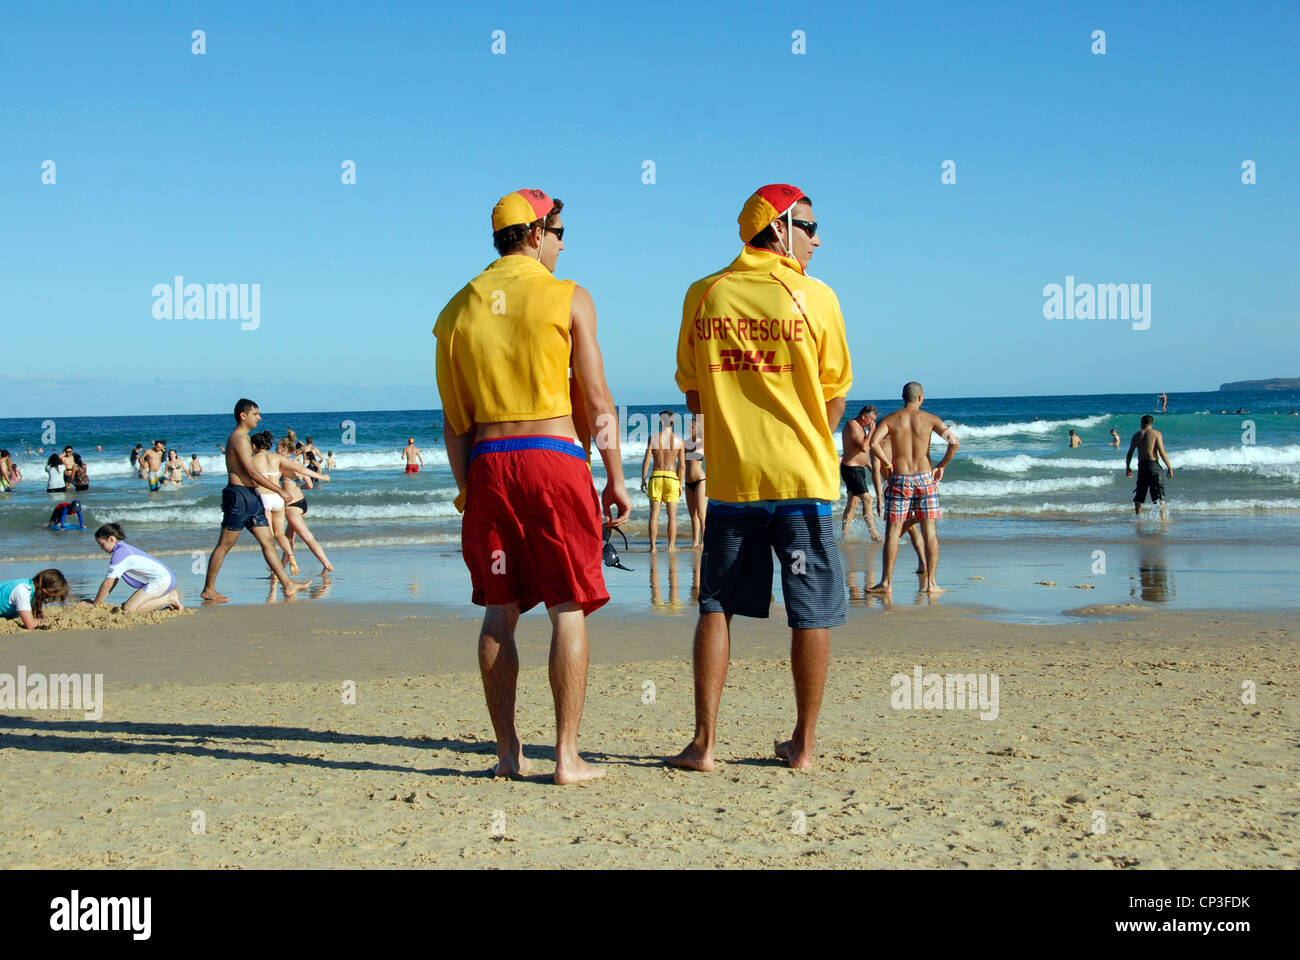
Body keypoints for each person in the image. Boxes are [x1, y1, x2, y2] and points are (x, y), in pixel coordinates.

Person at [434, 188, 630, 784]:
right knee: (568, 607)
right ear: (537, 233)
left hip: (492, 460)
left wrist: (470, 488)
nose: (564, 245)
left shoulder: (456, 310)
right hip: (552, 457)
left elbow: (454, 421)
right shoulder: (568, 297)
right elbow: (596, 400)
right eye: (561, 232)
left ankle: (508, 753)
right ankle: (566, 757)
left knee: (500, 610)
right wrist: (616, 475)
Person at [670, 183, 851, 772]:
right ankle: (804, 744)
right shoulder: (816, 297)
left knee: (717, 605)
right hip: (804, 481)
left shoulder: (705, 294)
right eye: (810, 227)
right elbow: (832, 403)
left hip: (733, 482)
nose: (818, 239)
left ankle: (704, 744)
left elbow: (695, 398)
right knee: (812, 610)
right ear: (779, 227)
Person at [200, 399, 312, 603]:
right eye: (256, 414)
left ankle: (287, 585)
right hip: (239, 496)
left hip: (252, 496)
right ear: (243, 416)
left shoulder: (245, 438)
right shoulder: (239, 438)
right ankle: (209, 589)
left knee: (268, 541)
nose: (259, 418)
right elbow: (250, 471)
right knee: (224, 545)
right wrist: (278, 489)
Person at [867, 382, 958, 595]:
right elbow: (954, 442)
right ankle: (931, 584)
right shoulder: (931, 420)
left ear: (902, 397)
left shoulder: (890, 420)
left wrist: (887, 465)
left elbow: (873, 444)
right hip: (926, 479)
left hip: (900, 479)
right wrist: (941, 465)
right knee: (930, 533)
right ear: (921, 398)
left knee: (893, 533)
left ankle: (886, 583)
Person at [91, 523, 183, 613]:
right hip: (163, 578)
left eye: (102, 544)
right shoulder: (123, 549)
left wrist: (95, 604)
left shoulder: (120, 554)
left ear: (111, 539)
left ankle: (169, 598)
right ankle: (168, 597)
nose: (101, 548)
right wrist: (99, 601)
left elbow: (108, 583)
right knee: (129, 607)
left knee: (129, 609)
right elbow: (113, 582)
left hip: (161, 580)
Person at [278, 438, 334, 574]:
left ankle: (327, 565)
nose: (276, 450)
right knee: (289, 538)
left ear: (285, 449)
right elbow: (308, 485)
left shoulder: (285, 464)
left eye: (278, 448)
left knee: (307, 537)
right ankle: (278, 571)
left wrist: (322, 477)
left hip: (292, 507)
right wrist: (297, 488)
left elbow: (304, 473)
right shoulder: (296, 461)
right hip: (302, 503)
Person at [641, 411, 685, 552]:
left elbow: (647, 459)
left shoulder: (653, 438)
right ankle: (671, 546)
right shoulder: (679, 441)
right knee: (672, 516)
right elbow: (682, 465)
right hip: (672, 478)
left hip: (656, 477)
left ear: (661, 422)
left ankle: (653, 547)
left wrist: (643, 478)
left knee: (654, 515)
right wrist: (680, 484)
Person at [840, 405, 883, 542]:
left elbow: (858, 452)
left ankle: (844, 536)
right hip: (851, 470)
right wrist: (871, 432)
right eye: (871, 419)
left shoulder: (860, 428)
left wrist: (868, 464)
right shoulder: (852, 425)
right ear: (864, 416)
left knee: (852, 503)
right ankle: (874, 534)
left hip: (858, 469)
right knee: (868, 500)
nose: (872, 423)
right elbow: (863, 447)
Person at [1126, 414, 1173, 517]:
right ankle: (1163, 519)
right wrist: (1169, 467)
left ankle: (1138, 518)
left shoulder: (1136, 435)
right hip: (1153, 466)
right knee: (1159, 495)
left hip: (1142, 466)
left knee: (1139, 494)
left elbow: (1129, 453)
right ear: (1151, 423)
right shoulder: (1156, 434)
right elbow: (1162, 452)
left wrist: (1127, 468)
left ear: (1141, 423)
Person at [0, 570, 69, 629]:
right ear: (46, 592)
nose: (51, 600)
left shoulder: (31, 586)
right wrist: (51, 621)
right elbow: (30, 624)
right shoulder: (23, 591)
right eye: (52, 597)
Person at [683, 415, 707, 548]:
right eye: (688, 426)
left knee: (701, 513)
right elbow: (681, 464)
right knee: (692, 514)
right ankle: (694, 541)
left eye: (692, 426)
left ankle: (704, 541)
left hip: (700, 480)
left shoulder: (702, 442)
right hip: (688, 482)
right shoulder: (685, 443)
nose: (689, 428)